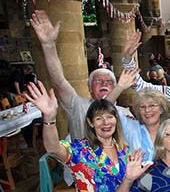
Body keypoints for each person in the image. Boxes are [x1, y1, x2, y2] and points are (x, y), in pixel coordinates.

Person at [30, 10, 129, 139]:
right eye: (98, 81)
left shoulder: (124, 114)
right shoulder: (79, 105)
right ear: (89, 88)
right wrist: (49, 46)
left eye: (109, 81)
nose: (104, 83)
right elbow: (59, 82)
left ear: (115, 86)